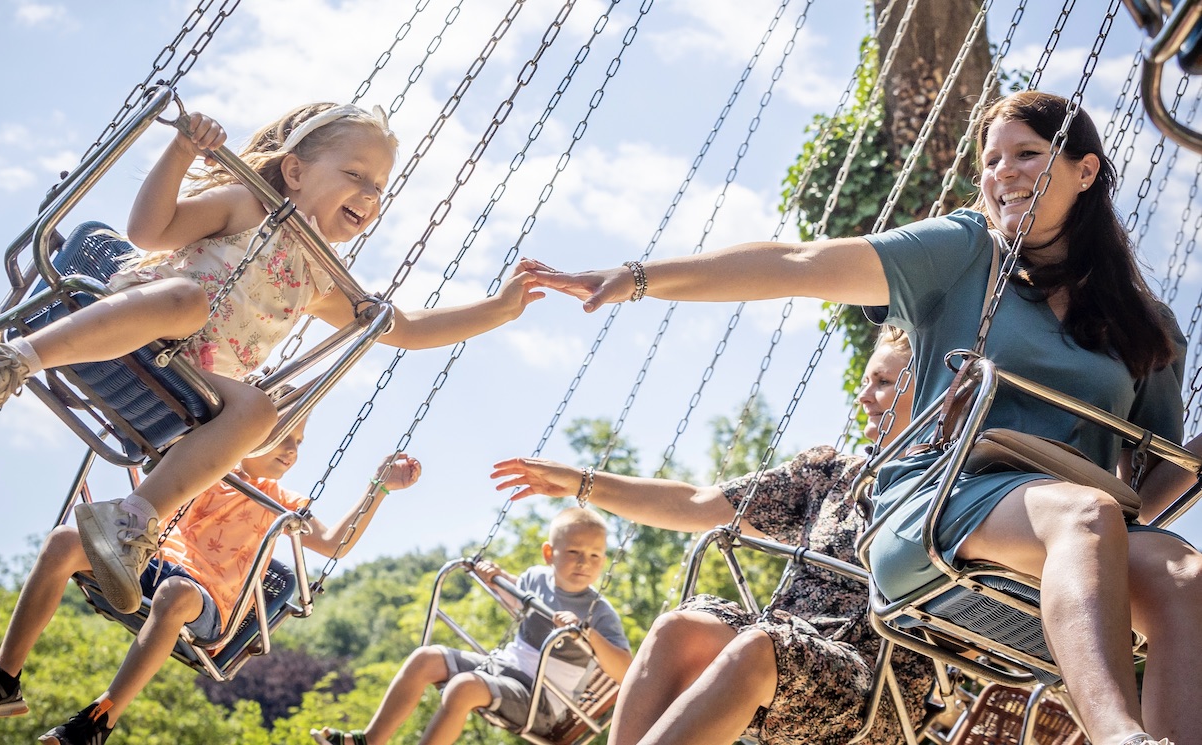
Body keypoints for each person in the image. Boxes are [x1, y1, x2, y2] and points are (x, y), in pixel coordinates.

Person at [520, 89, 1202, 745]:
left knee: (1180, 571)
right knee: (1081, 512)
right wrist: (641, 278)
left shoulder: (1145, 325)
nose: (1001, 174)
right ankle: (1120, 735)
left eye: (1024, 154)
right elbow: (797, 263)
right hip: (940, 506)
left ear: (1084, 170)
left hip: (1060, 532)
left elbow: (1147, 486)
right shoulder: (965, 251)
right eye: (990, 161)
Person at [0, 102, 544, 617]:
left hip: (190, 385)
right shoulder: (245, 206)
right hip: (139, 326)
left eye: (379, 187)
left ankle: (131, 523)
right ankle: (11, 361)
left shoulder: (321, 278)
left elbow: (403, 328)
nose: (369, 193)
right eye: (356, 172)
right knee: (190, 300)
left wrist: (501, 309)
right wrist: (179, 153)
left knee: (258, 414)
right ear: (296, 170)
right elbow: (150, 231)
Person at [491, 329, 936, 745]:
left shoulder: (951, 492)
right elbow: (698, 503)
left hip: (876, 688)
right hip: (781, 650)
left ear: (933, 391)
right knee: (678, 627)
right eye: (866, 381)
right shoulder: (830, 476)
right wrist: (581, 483)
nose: (863, 397)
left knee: (763, 647)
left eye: (882, 382)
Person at [0, 417, 422, 745]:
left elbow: (335, 542)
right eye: (283, 438)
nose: (292, 452)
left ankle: (98, 720)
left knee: (174, 592)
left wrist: (378, 487)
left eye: (299, 444)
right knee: (65, 540)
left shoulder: (285, 501)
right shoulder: (204, 463)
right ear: (248, 433)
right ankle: (3, 678)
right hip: (154, 563)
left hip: (205, 602)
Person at [312, 507, 633, 745]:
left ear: (604, 561)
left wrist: (586, 634)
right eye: (574, 552)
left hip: (541, 701)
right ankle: (369, 740)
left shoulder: (599, 612)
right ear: (550, 553)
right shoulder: (536, 577)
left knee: (464, 687)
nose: (583, 563)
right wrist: (497, 579)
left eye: (594, 556)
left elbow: (626, 673)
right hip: (502, 667)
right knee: (424, 658)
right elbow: (517, 598)